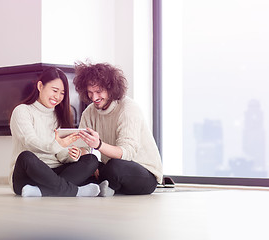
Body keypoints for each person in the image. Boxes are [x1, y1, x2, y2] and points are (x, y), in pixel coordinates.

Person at [73, 62, 163, 196]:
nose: (94, 98)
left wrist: (98, 145)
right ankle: (106, 186)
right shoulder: (89, 112)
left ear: (111, 89)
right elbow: (82, 147)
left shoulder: (128, 108)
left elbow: (127, 153)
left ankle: (103, 186)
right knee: (81, 166)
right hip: (110, 167)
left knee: (114, 167)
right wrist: (87, 159)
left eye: (99, 92)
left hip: (143, 173)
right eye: (90, 92)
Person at [9, 67, 100, 197]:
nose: (57, 97)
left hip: (54, 173)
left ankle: (40, 191)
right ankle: (76, 191)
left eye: (62, 93)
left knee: (91, 160)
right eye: (55, 90)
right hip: (28, 175)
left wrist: (71, 155)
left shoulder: (60, 115)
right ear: (40, 86)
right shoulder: (22, 111)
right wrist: (58, 145)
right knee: (26, 157)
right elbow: (29, 142)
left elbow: (60, 155)